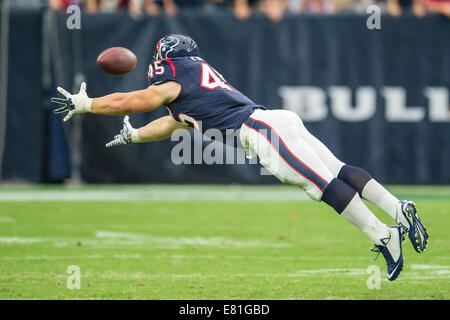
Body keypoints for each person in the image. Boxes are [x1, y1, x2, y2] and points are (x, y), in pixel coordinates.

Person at [51, 34, 428, 281]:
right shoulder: (192, 82)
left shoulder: (174, 74)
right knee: (337, 169)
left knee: (324, 186)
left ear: (168, 59)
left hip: (263, 132)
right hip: (277, 121)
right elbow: (171, 125)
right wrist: (135, 134)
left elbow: (135, 101)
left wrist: (88, 104)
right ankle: (398, 209)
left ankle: (385, 234)